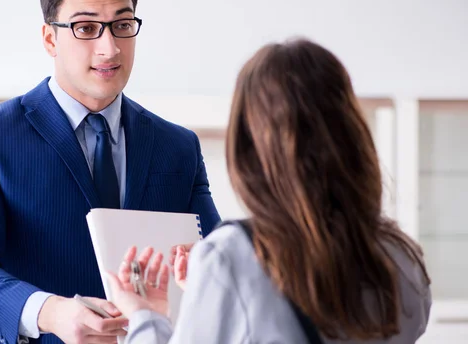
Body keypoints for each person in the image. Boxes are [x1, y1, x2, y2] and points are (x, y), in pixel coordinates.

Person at [0, 0, 221, 344]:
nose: (110, 49)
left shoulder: (179, 146)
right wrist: (51, 312)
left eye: (122, 25)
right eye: (87, 28)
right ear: (50, 38)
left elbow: (219, 260)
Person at [107, 38, 432, 343]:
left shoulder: (232, 257)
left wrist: (144, 316)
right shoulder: (401, 258)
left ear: (247, 146)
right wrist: (219, 294)